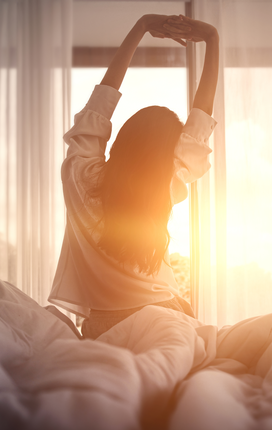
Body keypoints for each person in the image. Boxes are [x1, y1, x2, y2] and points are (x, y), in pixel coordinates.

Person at [48, 14, 219, 339]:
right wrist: (211, 39)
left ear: (123, 139)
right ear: (167, 155)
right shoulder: (165, 185)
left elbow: (99, 106)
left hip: (102, 327)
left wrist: (140, 27)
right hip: (166, 316)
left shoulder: (79, 176)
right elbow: (200, 120)